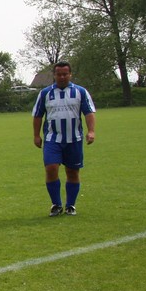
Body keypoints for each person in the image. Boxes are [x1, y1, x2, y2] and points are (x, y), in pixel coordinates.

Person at [32, 61, 96, 216]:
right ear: (54, 75)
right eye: (59, 74)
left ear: (70, 74)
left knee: (72, 172)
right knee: (51, 168)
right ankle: (56, 204)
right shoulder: (45, 93)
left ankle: (70, 205)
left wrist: (91, 131)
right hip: (52, 139)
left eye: (65, 74)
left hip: (74, 139)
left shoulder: (80, 92)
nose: (62, 77)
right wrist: (36, 135)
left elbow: (88, 113)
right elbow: (38, 115)